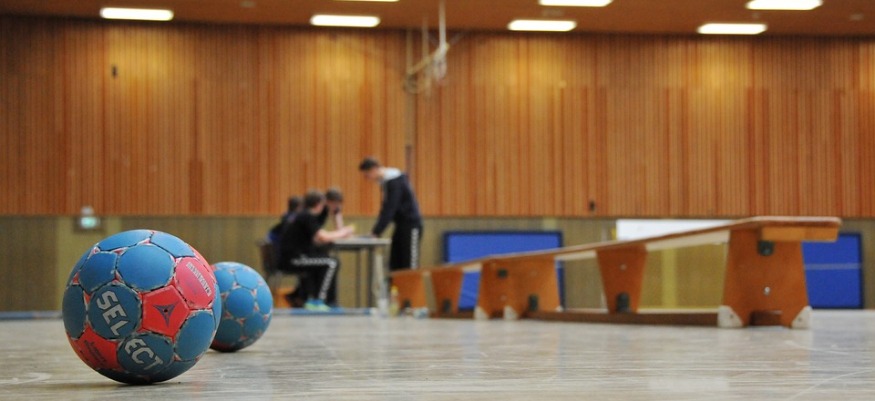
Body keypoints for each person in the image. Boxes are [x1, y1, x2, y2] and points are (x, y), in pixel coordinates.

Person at [278, 190, 353, 311]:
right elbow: (323, 237)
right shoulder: (307, 216)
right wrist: (344, 232)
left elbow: (317, 239)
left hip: (295, 257)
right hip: (293, 259)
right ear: (319, 204)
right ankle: (319, 301)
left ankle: (302, 296)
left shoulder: (304, 215)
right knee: (331, 263)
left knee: (324, 259)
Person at [358, 157, 423, 271]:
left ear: (374, 169)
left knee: (409, 264)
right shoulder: (386, 183)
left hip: (411, 225)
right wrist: (375, 231)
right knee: (395, 263)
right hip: (400, 226)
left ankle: (410, 284)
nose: (367, 178)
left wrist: (376, 232)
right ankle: (395, 283)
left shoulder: (394, 181)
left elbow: (390, 209)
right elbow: (386, 209)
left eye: (367, 175)